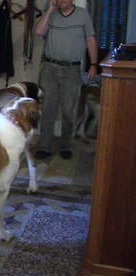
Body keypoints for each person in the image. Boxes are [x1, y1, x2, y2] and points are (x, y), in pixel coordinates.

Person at [34, 0, 97, 160]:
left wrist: (94, 64)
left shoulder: (83, 15)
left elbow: (91, 40)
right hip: (50, 68)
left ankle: (65, 146)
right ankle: (45, 146)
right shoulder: (52, 14)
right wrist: (49, 10)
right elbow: (39, 31)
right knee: (48, 109)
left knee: (68, 110)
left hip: (72, 70)